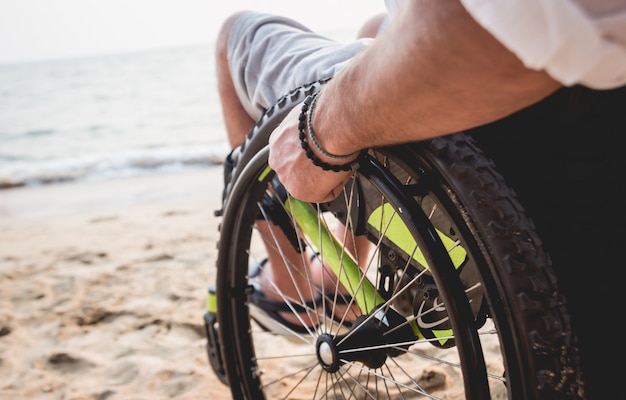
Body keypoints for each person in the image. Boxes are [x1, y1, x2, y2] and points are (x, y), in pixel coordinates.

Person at [216, 1, 626, 397]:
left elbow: (499, 35)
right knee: (377, 29)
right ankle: (340, 273)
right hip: (577, 143)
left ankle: (294, 287)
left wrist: (320, 131)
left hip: (506, 137)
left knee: (234, 37)